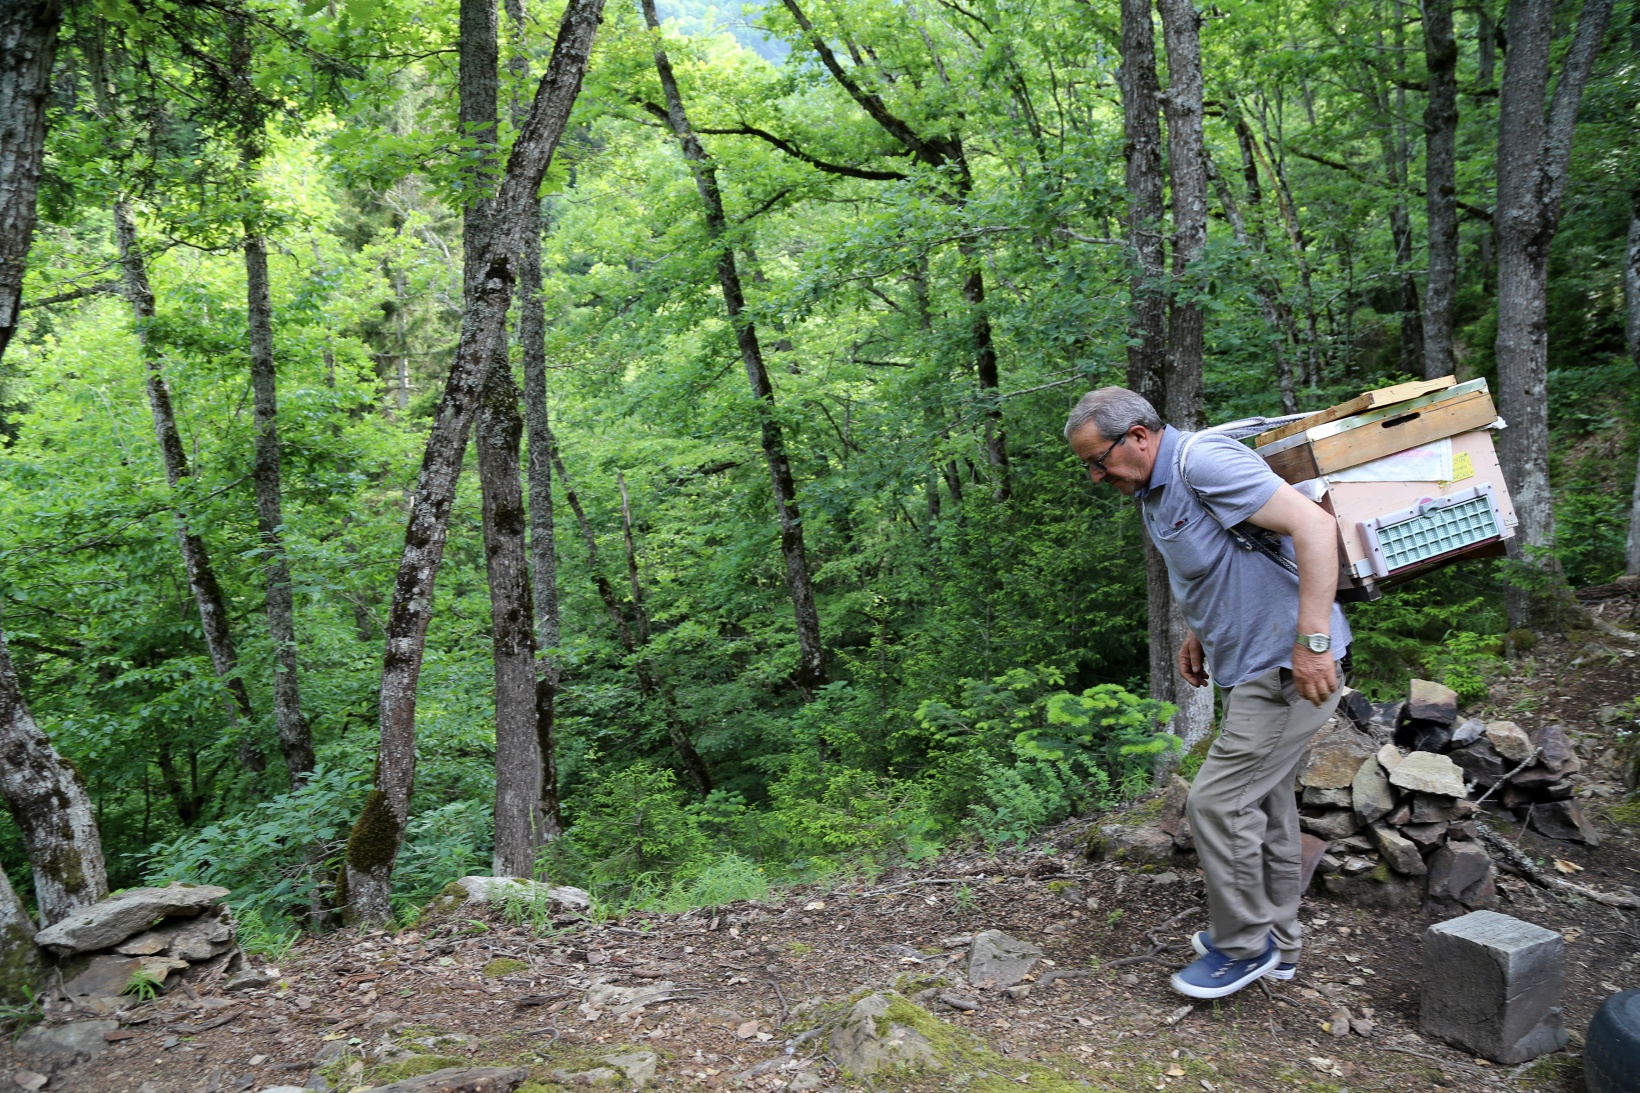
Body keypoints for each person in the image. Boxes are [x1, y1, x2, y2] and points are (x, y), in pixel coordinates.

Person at [1064, 387, 1350, 1000]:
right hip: (1246, 666)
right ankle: (1280, 946)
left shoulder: (1204, 463)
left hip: (1287, 669)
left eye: (1099, 459)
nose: (1093, 475)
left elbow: (1314, 527)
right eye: (1086, 464)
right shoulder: (1155, 490)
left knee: (1217, 804)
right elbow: (1224, 559)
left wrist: (1314, 641)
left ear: (1139, 435)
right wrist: (1199, 632)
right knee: (1266, 803)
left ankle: (1243, 945)